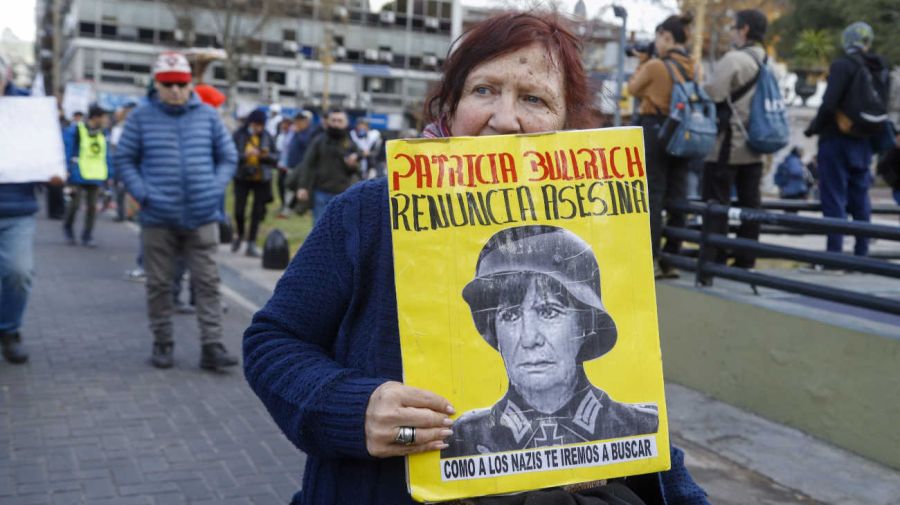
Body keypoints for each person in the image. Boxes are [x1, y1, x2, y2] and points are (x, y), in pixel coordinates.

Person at [244, 12, 709, 505]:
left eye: (533, 98)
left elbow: (647, 446)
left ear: (565, 124)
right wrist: (352, 409)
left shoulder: (595, 228)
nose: (505, 119)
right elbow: (272, 341)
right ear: (450, 103)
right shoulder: (366, 213)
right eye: (484, 90)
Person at [443, 225, 659, 458]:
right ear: (495, 331)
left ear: (585, 325)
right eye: (510, 316)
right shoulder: (463, 438)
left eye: (549, 312)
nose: (529, 339)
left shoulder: (640, 428)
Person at [115, 51, 239, 370]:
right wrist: (143, 193)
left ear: (189, 84)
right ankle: (163, 342)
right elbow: (124, 159)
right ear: (157, 84)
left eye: (181, 84)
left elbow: (228, 156)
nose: (175, 90)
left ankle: (212, 346)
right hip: (158, 216)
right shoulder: (141, 118)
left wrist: (213, 189)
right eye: (168, 84)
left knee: (208, 281)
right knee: (159, 283)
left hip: (202, 215)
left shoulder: (208, 116)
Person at [805, 22, 890, 257]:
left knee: (834, 197)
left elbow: (830, 103)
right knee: (860, 198)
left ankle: (834, 255)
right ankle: (861, 254)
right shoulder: (879, 68)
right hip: (864, 140)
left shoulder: (843, 66)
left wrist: (814, 129)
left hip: (836, 138)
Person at [0, 57, 63, 364]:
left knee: (18, 272)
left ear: (8, 76)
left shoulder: (28, 108)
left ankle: (10, 330)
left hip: (17, 209)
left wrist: (52, 171)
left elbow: (46, 152)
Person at [699, 9, 769, 275]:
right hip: (757, 145)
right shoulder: (767, 59)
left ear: (745, 29)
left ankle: (713, 259)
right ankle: (745, 260)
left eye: (735, 27)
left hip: (729, 144)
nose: (732, 31)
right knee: (751, 204)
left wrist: (699, 84)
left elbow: (715, 93)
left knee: (716, 202)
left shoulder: (735, 59)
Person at [627, 14, 696, 280]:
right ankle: (672, 258)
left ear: (666, 36)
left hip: (656, 130)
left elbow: (633, 89)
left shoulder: (656, 65)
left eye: (658, 37)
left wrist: (642, 62)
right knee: (678, 195)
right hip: (682, 133)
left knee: (653, 195)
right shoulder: (693, 66)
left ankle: (651, 259)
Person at [287, 109, 361, 222]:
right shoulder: (319, 141)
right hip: (321, 193)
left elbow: (357, 170)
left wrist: (353, 164)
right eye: (333, 120)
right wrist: (303, 186)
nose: (336, 123)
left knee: (339, 230)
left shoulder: (351, 144)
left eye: (339, 120)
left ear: (346, 123)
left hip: (343, 194)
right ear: (328, 122)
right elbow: (307, 164)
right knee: (319, 229)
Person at [62, 104, 112, 247]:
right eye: (103, 117)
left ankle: (87, 235)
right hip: (78, 173)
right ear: (95, 117)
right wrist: (66, 168)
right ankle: (68, 228)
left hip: (96, 174)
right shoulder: (77, 130)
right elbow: (68, 149)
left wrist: (109, 173)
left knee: (92, 207)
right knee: (74, 204)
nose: (105, 120)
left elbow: (106, 155)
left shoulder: (104, 133)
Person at [231, 109, 277, 257]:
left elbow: (276, 157)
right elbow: (230, 154)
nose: (258, 128)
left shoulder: (267, 136)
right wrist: (245, 155)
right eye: (255, 124)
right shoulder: (239, 135)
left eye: (260, 125)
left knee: (257, 212)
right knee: (239, 210)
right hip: (242, 177)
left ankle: (251, 242)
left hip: (261, 179)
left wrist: (264, 155)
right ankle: (240, 235)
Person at [277, 110, 315, 215]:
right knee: (288, 186)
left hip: (301, 166)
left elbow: (306, 144)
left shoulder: (309, 132)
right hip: (291, 165)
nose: (297, 123)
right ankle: (287, 207)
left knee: (295, 187)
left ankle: (291, 209)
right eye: (296, 121)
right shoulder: (294, 131)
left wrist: (298, 132)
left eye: (299, 121)